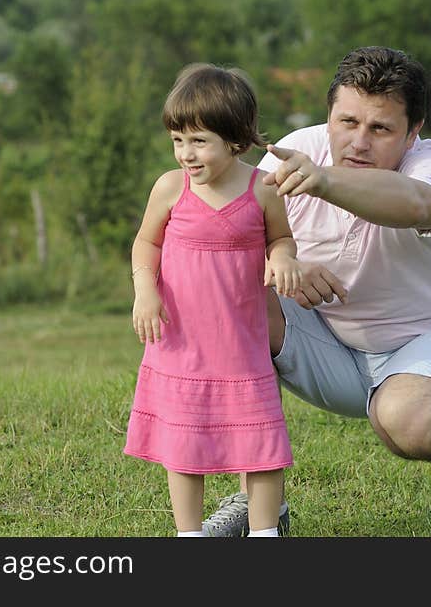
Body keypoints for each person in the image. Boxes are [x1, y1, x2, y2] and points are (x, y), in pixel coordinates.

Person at [201, 46, 431, 536]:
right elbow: (230, 248)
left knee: (409, 420)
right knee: (231, 302)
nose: (359, 142)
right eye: (347, 122)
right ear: (329, 116)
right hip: (330, 346)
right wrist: (283, 267)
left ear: (414, 131)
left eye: (380, 129)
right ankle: (262, 503)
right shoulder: (298, 149)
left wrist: (324, 181)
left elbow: (415, 205)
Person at [124, 63, 302, 537]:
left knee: (260, 443)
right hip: (181, 343)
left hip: (241, 344)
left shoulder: (262, 189)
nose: (186, 153)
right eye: (178, 140)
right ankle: (190, 534)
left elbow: (281, 239)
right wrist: (146, 291)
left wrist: (283, 258)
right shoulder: (169, 188)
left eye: (199, 141)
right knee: (184, 446)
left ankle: (264, 532)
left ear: (236, 139)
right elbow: (146, 244)